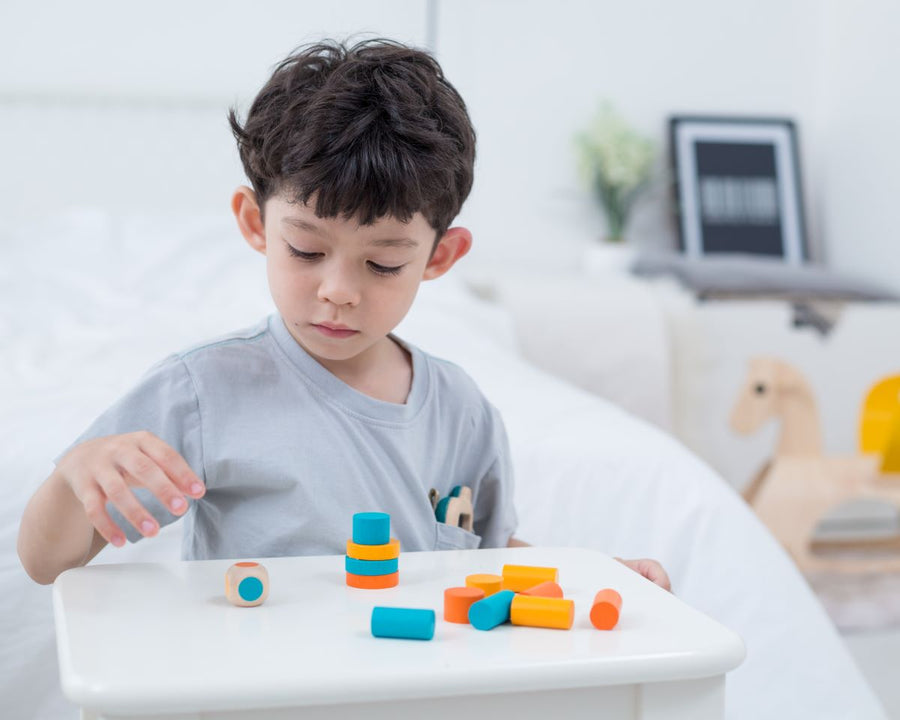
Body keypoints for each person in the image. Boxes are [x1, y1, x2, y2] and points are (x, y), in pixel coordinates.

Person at [17, 38, 669, 591]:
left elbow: (489, 564)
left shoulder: (462, 412)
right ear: (254, 223)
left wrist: (590, 580)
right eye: (306, 249)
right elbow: (45, 561)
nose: (338, 290)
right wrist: (78, 476)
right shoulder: (201, 391)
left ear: (441, 256)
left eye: (382, 264)